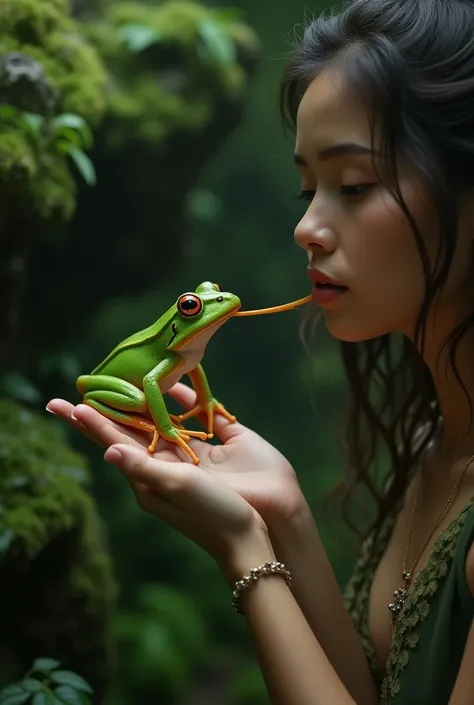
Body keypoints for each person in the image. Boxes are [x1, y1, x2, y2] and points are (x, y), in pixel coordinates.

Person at [47, 0, 474, 702]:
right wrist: (285, 517)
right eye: (308, 188)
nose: (306, 225)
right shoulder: (432, 440)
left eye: (354, 184)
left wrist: (244, 548)